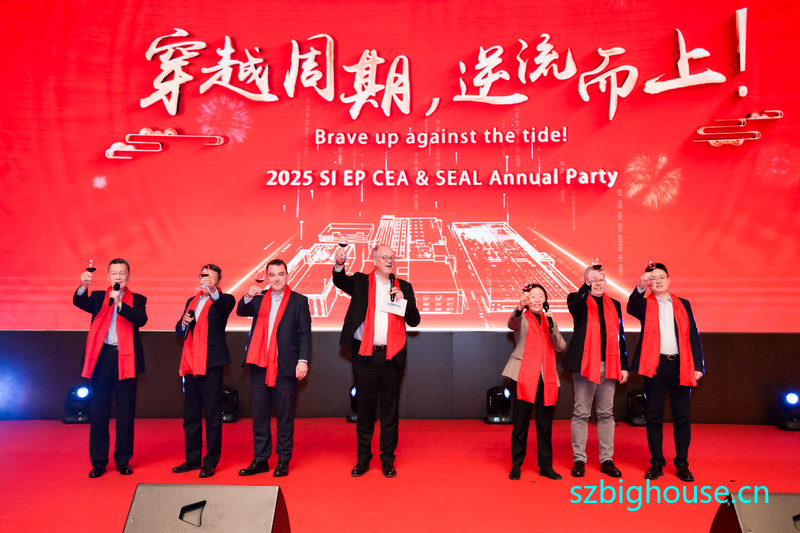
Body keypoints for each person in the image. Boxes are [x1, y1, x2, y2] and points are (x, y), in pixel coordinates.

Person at [333, 243, 420, 478]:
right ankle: (363, 459)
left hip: (392, 357)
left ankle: (388, 460)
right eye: (385, 257)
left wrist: (403, 301)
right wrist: (339, 264)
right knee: (365, 410)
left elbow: (415, 320)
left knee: (390, 411)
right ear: (375, 260)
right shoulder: (361, 282)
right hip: (365, 356)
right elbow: (340, 281)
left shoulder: (404, 287)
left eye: (392, 257)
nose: (390, 260)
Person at [627, 262, 704, 482]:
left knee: (682, 417)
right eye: (653, 278)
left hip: (681, 365)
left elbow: (693, 335)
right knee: (653, 416)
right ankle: (657, 462)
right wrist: (640, 287)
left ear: (669, 280)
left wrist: (698, 366)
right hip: (655, 366)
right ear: (649, 283)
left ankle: (682, 464)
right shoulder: (645, 304)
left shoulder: (683, 304)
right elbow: (631, 307)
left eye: (661, 277)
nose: (658, 281)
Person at [73, 258, 147, 478]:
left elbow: (140, 319)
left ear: (128, 276)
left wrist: (120, 304)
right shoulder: (98, 297)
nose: (118, 277)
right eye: (114, 273)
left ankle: (123, 460)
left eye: (122, 273)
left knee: (125, 412)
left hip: (127, 358)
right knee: (99, 410)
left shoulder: (138, 299)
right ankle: (99, 462)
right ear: (108, 277)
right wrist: (84, 285)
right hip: (103, 357)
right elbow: (79, 302)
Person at [237, 259, 311, 478]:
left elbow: (305, 335)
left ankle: (283, 460)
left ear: (287, 275)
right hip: (259, 365)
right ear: (267, 277)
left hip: (285, 367)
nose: (276, 279)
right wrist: (248, 295)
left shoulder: (299, 301)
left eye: (280, 274)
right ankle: (261, 459)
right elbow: (241, 310)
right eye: (272, 275)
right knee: (259, 416)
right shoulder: (259, 299)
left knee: (284, 418)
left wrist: (303, 360)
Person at [563, 265, 628, 478]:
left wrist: (623, 365)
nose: (598, 283)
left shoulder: (615, 305)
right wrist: (586, 286)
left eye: (601, 279)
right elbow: (575, 307)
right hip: (584, 365)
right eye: (593, 279)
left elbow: (620, 336)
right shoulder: (577, 299)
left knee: (606, 414)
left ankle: (606, 459)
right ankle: (579, 460)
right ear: (587, 282)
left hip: (609, 365)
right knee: (581, 413)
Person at [172, 264, 235, 479]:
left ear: (218, 281)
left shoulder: (224, 300)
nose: (205, 279)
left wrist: (213, 291)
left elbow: (224, 307)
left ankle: (210, 462)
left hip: (211, 364)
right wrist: (183, 323)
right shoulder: (192, 301)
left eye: (210, 277)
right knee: (191, 415)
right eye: (203, 276)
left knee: (212, 415)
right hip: (190, 364)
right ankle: (192, 459)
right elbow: (179, 330)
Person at [503, 284, 566, 481]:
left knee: (545, 425)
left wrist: (552, 325)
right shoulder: (521, 317)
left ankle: (546, 466)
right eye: (533, 296)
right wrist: (519, 307)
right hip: (522, 375)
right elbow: (511, 324)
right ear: (527, 300)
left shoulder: (550, 320)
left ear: (545, 300)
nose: (537, 300)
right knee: (520, 423)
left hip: (545, 376)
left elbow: (560, 346)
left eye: (541, 296)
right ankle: (516, 465)